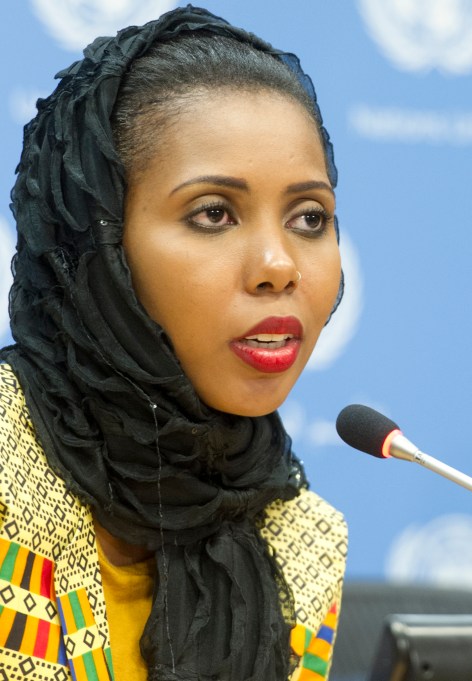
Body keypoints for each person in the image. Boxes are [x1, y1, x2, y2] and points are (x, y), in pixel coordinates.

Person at [1, 6, 347, 680]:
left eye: (310, 218)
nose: (279, 265)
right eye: (214, 213)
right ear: (100, 242)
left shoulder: (302, 539)